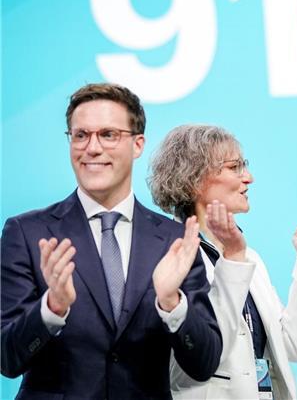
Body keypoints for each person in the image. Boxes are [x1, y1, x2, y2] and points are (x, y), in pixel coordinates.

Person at [0, 83, 222, 399]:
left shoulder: (173, 241)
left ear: (137, 144)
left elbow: (204, 363)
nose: (92, 147)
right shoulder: (27, 233)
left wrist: (172, 303)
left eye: (108, 134)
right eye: (80, 135)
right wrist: (51, 308)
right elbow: (7, 359)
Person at [148, 124, 297, 400]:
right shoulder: (175, 257)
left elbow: (292, 346)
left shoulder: (250, 257)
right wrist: (233, 260)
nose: (248, 178)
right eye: (235, 167)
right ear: (195, 179)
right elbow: (209, 353)